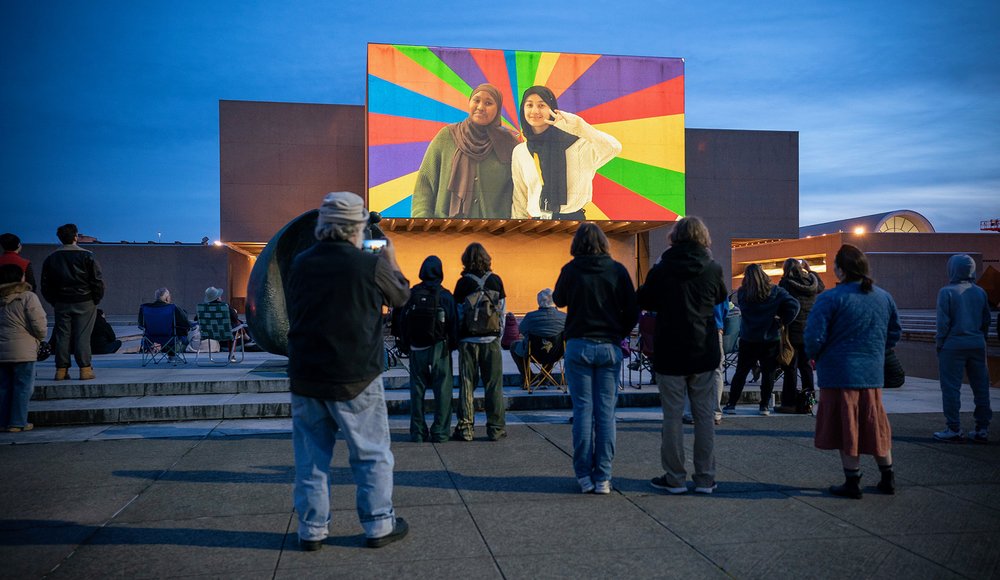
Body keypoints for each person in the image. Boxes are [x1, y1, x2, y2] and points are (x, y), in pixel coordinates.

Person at [285, 191, 411, 551]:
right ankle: (378, 525)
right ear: (357, 228)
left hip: (307, 375)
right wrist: (390, 258)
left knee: (310, 460)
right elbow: (400, 297)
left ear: (323, 226)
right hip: (357, 375)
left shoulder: (300, 263)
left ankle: (311, 531)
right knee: (371, 454)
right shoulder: (369, 265)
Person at [638, 217, 728, 495]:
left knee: (672, 417)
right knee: (704, 418)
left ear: (674, 237)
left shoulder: (662, 268)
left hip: (670, 351)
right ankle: (705, 478)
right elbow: (720, 298)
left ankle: (675, 477)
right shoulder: (713, 268)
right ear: (703, 237)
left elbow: (645, 300)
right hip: (704, 350)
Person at [805, 244, 901, 498]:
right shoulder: (883, 297)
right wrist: (877, 352)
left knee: (847, 426)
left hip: (839, 373)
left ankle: (852, 481)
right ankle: (887, 476)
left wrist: (815, 355)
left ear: (840, 269)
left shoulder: (830, 298)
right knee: (875, 423)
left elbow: (814, 337)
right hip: (871, 373)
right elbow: (894, 333)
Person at [553, 223, 638, 494]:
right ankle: (603, 477)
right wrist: (618, 332)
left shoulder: (570, 270)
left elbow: (558, 299)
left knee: (582, 412)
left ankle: (583, 476)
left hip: (578, 345)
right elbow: (633, 310)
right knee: (606, 414)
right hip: (609, 346)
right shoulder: (617, 270)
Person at [512, 86, 622, 220]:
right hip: (536, 225)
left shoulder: (579, 143)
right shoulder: (521, 151)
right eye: (529, 105)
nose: (535, 111)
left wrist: (581, 128)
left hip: (573, 222)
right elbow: (520, 197)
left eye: (541, 105)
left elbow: (614, 148)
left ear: (552, 109)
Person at [412, 84, 519, 218]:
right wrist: (422, 223)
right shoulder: (447, 136)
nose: (480, 107)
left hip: (495, 233)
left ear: (498, 110)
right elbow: (425, 183)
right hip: (446, 231)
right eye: (476, 100)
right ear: (470, 102)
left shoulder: (509, 144)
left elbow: (520, 191)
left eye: (488, 103)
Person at [722, 264, 799, 416]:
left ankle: (731, 404)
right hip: (770, 337)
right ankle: (764, 405)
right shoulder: (776, 291)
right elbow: (794, 305)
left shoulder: (743, 293)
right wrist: (782, 320)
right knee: (768, 372)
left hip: (748, 338)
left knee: (741, 372)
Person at [933, 254, 992, 443]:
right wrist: (981, 338)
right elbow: (986, 320)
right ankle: (982, 428)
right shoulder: (980, 292)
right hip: (977, 343)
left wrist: (940, 343)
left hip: (953, 344)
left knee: (951, 387)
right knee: (981, 387)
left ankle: (953, 428)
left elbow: (943, 323)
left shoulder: (946, 292)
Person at [398, 255, 458, 443]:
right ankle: (440, 432)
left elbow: (402, 323)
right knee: (443, 391)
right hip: (439, 347)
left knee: (417, 391)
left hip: (417, 348)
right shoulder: (446, 295)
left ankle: (418, 431)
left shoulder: (411, 294)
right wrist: (452, 345)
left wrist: (406, 345)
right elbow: (454, 324)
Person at [452, 242, 507, 441]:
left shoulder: (463, 283)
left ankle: (466, 428)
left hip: (468, 340)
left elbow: (458, 312)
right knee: (494, 385)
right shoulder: (496, 280)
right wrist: (497, 335)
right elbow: (502, 312)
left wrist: (459, 337)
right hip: (491, 340)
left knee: (467, 384)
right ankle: (496, 428)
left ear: (465, 260)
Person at [41, 223, 105, 381]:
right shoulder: (87, 256)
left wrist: (54, 301)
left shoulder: (51, 258)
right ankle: (85, 369)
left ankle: (61, 370)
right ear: (76, 236)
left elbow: (45, 284)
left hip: (61, 301)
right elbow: (97, 281)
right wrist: (95, 298)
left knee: (62, 335)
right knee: (82, 336)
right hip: (85, 300)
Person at [0, 264, 47, 432]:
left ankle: (3, 421)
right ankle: (17, 422)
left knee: (4, 387)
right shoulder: (28, 297)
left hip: (2, 351)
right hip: (23, 350)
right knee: (23, 387)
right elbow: (39, 323)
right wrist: (40, 338)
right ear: (20, 278)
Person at [776, 258, 824, 413]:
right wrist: (810, 270)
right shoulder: (812, 281)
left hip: (793, 330)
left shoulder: (786, 284)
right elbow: (821, 286)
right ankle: (808, 401)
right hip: (809, 330)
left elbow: (780, 303)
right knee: (806, 366)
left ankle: (789, 403)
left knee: (790, 366)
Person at [682, 300, 729, 426]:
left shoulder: (687, 282)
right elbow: (725, 309)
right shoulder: (716, 284)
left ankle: (690, 413)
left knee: (691, 370)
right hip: (715, 328)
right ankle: (715, 413)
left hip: (691, 329)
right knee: (717, 372)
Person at [510, 288, 567, 385]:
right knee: (553, 345)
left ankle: (529, 377)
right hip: (557, 354)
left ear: (538, 301)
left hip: (533, 354)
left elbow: (521, 331)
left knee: (514, 346)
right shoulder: (564, 317)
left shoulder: (530, 317)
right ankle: (544, 379)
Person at [138, 288, 192, 359]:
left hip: (150, 337)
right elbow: (186, 323)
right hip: (169, 338)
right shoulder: (172, 308)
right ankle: (171, 355)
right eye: (169, 296)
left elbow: (141, 324)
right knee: (183, 334)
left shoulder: (145, 308)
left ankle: (162, 350)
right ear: (167, 298)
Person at [199, 286, 244, 362]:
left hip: (208, 333)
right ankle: (232, 354)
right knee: (236, 325)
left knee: (235, 324)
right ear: (217, 298)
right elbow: (235, 317)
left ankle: (247, 338)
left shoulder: (204, 308)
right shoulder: (225, 306)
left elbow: (196, 318)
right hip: (224, 332)